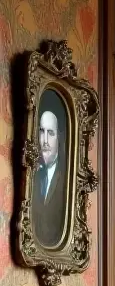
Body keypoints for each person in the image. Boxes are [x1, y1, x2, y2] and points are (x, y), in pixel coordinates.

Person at [32, 104, 68, 247]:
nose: (45, 141)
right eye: (42, 132)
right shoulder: (35, 174)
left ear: (58, 138)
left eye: (51, 133)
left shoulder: (67, 177)